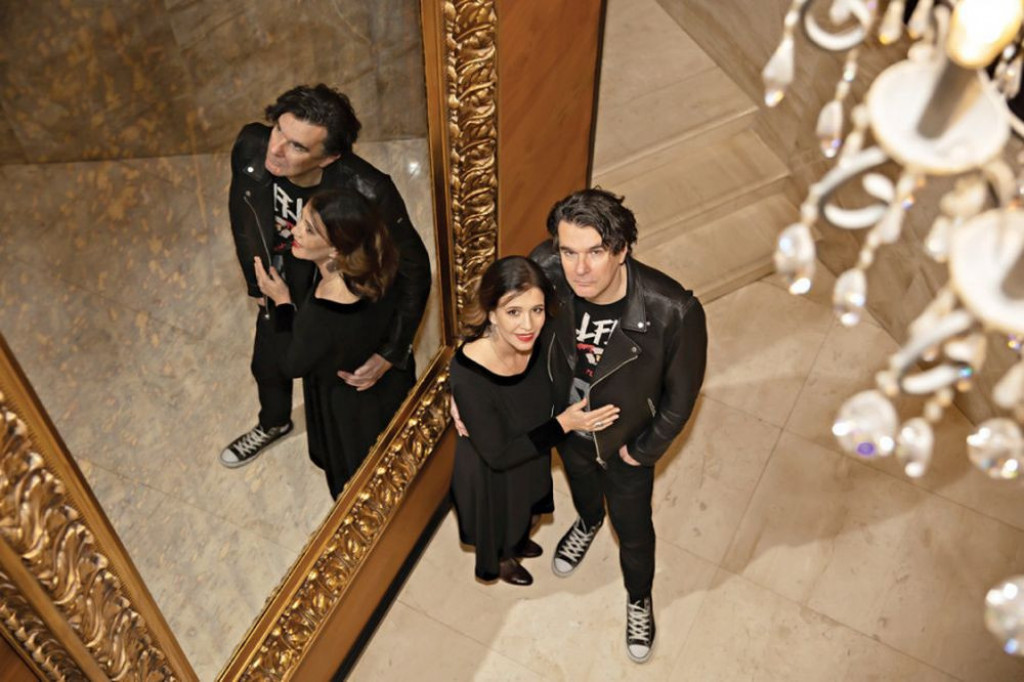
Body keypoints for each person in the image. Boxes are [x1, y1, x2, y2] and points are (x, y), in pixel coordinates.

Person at [532, 188, 707, 663]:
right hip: (568, 427)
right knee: (583, 491)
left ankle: (639, 598)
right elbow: (504, 326)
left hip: (625, 444)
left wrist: (641, 452)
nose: (579, 269)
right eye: (568, 252)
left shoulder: (673, 310)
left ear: (623, 249)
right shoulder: (545, 272)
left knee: (633, 532)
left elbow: (680, 400)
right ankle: (589, 522)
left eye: (595, 252)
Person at [221, 84, 431, 468]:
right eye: (278, 129)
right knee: (268, 365)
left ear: (330, 157)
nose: (275, 148)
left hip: (334, 298)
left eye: (297, 146)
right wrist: (256, 280)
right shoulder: (251, 146)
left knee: (344, 397)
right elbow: (242, 212)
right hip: (280, 286)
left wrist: (392, 350)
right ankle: (273, 423)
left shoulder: (368, 189)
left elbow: (414, 269)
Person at [449, 256, 620, 586]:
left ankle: (517, 540)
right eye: (513, 312)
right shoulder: (471, 375)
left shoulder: (542, 335)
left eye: (536, 310)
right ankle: (503, 559)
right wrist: (564, 424)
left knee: (527, 510)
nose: (528, 325)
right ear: (491, 312)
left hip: (533, 448)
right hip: (495, 471)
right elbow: (498, 455)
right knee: (503, 521)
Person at [253, 189, 413, 498]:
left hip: (347, 409)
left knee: (360, 489)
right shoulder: (380, 260)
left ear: (337, 249)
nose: (295, 231)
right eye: (302, 220)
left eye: (309, 229)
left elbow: (291, 364)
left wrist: (282, 302)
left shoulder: (326, 307)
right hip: (387, 387)